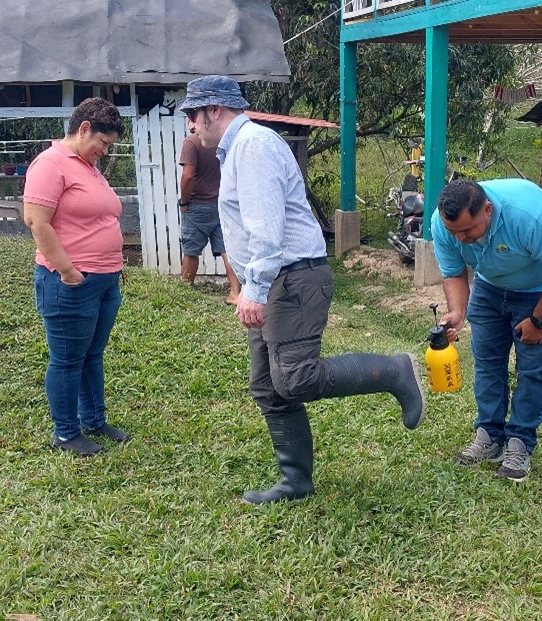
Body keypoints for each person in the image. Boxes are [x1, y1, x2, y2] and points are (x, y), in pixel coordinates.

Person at [178, 75, 426, 505]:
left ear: (213, 110)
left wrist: (252, 289)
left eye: (192, 115)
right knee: (267, 386)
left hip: (291, 277)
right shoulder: (238, 149)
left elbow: (267, 231)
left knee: (294, 379)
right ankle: (296, 482)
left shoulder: (253, 146)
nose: (190, 126)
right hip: (276, 278)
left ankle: (393, 370)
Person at [431, 178, 542, 483]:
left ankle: (520, 442)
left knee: (533, 368)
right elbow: (454, 271)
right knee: (486, 361)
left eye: (467, 230)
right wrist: (457, 312)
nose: (459, 238)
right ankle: (489, 435)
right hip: (490, 286)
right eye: (452, 231)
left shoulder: (527, 214)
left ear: (487, 209)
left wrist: (539, 320)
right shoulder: (442, 223)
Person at [23, 98, 132, 458]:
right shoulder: (51, 164)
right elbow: (37, 222)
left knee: (92, 355)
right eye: (103, 143)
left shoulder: (88, 167)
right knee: (68, 359)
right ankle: (66, 433)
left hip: (104, 282)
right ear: (84, 128)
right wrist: (69, 272)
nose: (105, 151)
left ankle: (94, 420)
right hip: (70, 283)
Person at [177, 132, 242, 304]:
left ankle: (184, 294)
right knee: (227, 250)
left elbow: (188, 176)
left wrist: (184, 202)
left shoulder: (191, 142)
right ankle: (235, 293)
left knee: (191, 251)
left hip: (197, 205)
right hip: (221, 204)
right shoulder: (222, 140)